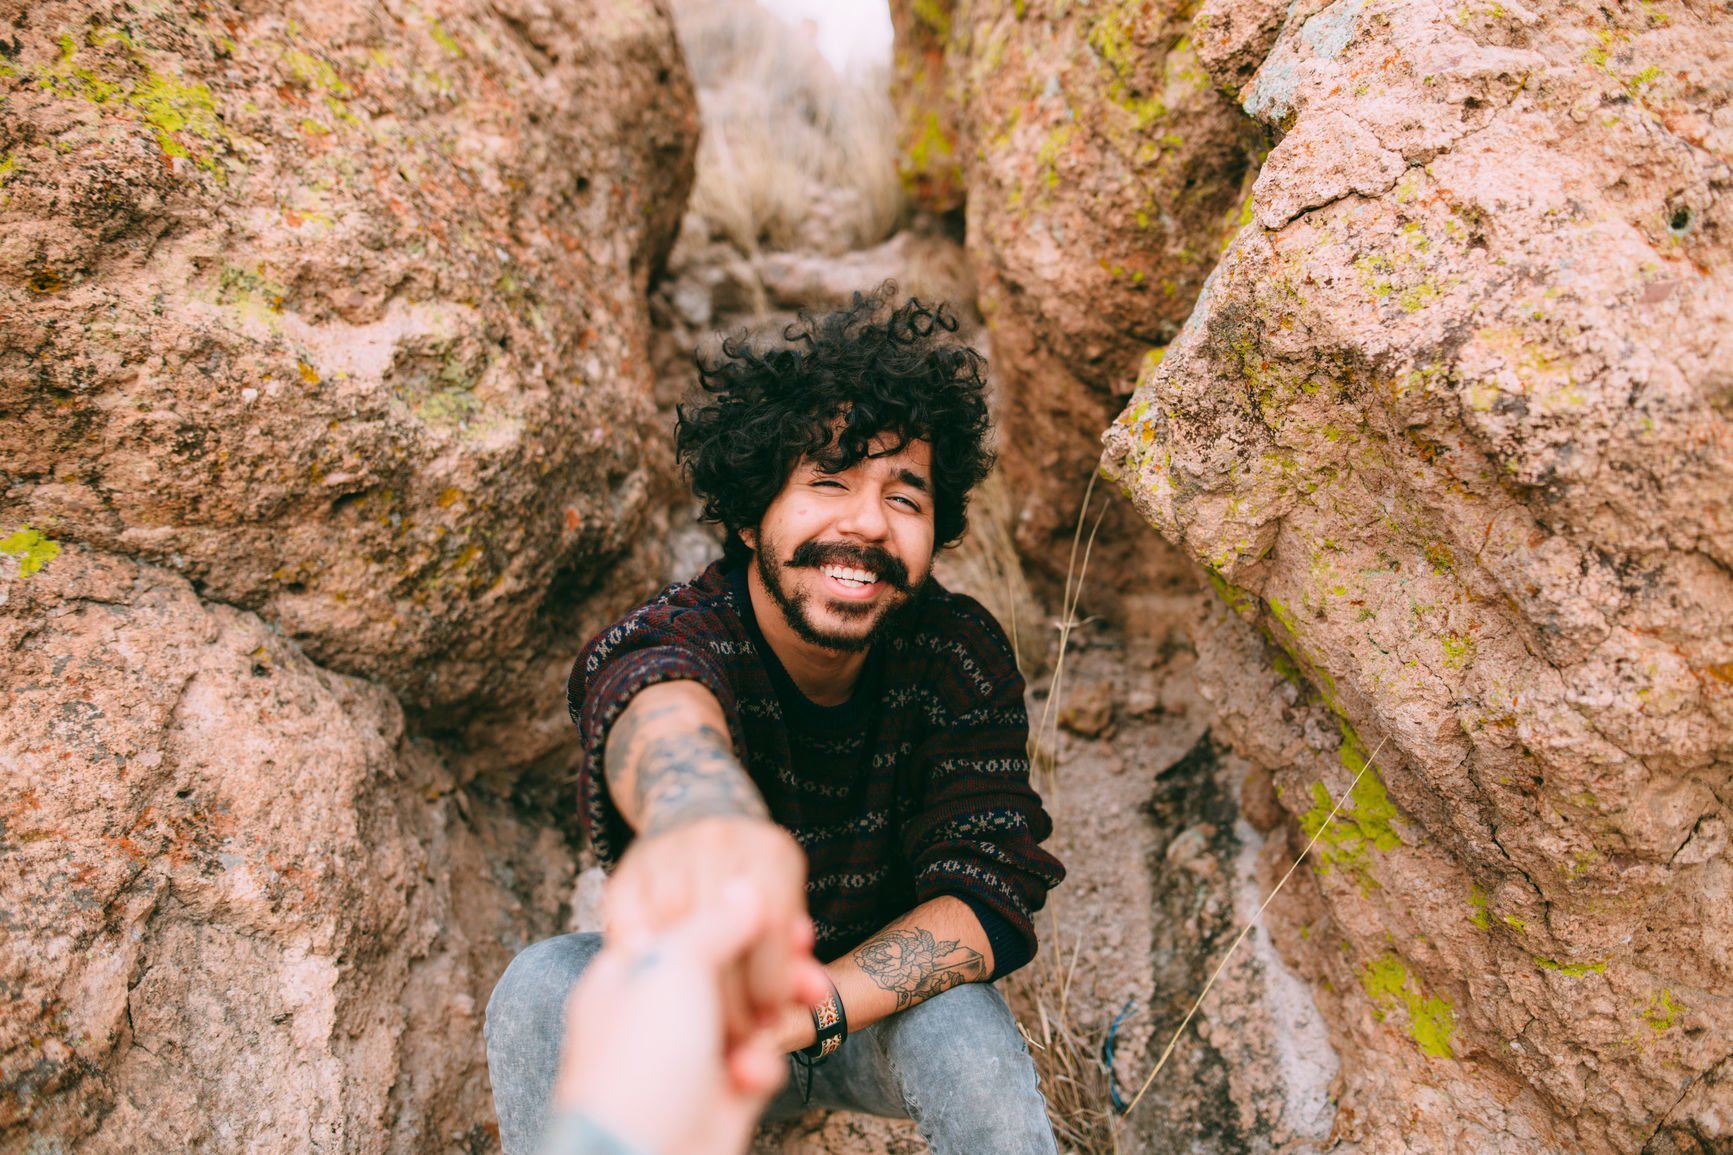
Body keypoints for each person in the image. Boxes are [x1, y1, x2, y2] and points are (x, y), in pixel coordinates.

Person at [486, 286, 1067, 1155]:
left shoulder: (956, 652)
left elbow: (986, 893)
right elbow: (652, 702)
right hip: (696, 1018)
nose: (867, 522)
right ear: (748, 515)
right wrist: (697, 814)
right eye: (827, 483)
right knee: (541, 985)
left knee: (965, 1029)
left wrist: (813, 1007)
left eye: (905, 497)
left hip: (867, 1010)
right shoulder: (684, 631)